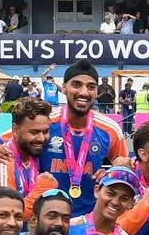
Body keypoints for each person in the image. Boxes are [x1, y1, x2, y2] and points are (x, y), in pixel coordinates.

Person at [39, 61, 126, 212]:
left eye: (91, 87)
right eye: (77, 85)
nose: (84, 92)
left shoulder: (110, 129)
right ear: (64, 88)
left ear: (97, 92)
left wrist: (111, 173)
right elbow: (5, 145)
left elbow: (125, 171)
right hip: (46, 219)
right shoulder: (45, 122)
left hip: (89, 222)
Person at [0, 96, 59, 234]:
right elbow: (10, 215)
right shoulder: (1, 162)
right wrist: (43, 188)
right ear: (15, 130)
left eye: (45, 132)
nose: (41, 138)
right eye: (34, 132)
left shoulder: (31, 154)